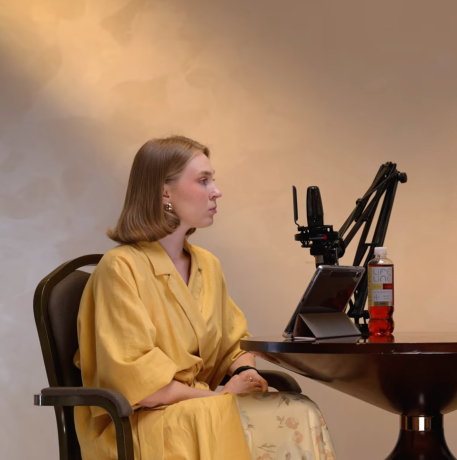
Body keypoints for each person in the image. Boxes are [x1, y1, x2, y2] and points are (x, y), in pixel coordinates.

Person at [74, 136, 336, 460]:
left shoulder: (207, 265)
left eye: (213, 180)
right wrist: (220, 396)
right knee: (253, 416)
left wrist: (243, 373)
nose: (216, 191)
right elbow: (142, 385)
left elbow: (234, 344)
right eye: (203, 180)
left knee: (300, 409)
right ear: (165, 192)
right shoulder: (120, 269)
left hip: (201, 409)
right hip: (141, 425)